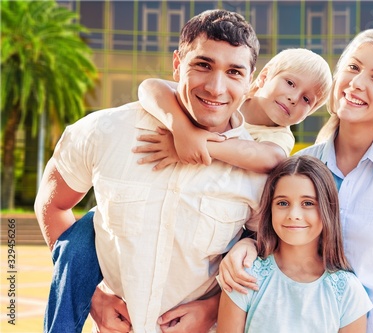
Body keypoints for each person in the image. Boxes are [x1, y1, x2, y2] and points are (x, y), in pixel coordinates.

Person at [217, 28, 373, 333]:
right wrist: (247, 244)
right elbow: (272, 244)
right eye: (353, 67)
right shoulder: (298, 168)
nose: (357, 83)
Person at [34, 9, 265, 333]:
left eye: (235, 72)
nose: (216, 87)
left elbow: (269, 253)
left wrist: (214, 309)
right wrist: (95, 299)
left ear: (250, 82)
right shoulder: (105, 131)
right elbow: (53, 202)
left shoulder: (259, 171)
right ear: (176, 64)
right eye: (203, 65)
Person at [216, 155, 373, 333]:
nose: (294, 214)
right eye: (283, 203)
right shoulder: (246, 276)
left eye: (308, 203)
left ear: (327, 209)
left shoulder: (347, 290)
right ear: (270, 209)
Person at [134, 48, 332, 173]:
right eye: (290, 83)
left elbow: (272, 158)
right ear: (264, 77)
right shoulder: (228, 95)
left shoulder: (280, 136)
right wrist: (182, 131)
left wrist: (196, 145)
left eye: (307, 99)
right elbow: (150, 87)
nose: (293, 98)